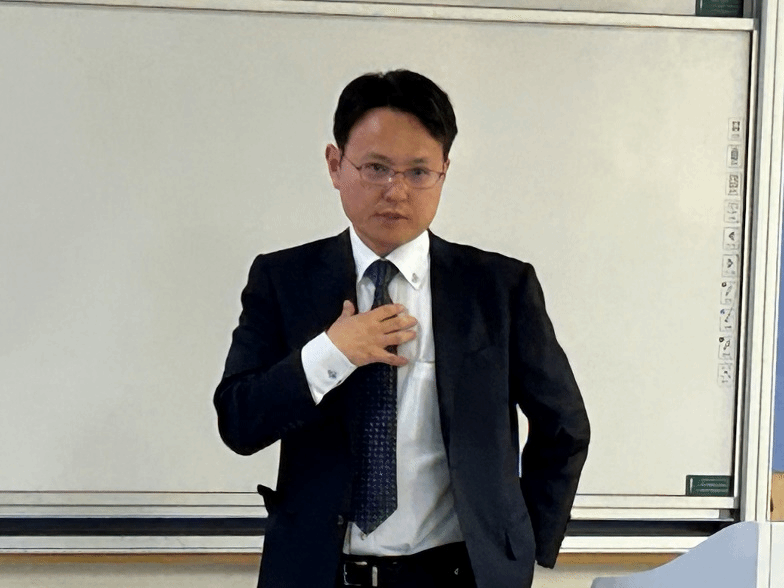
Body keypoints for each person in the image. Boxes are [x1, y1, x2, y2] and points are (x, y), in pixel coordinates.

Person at [214, 69, 590, 588]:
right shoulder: (283, 279)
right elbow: (238, 422)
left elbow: (564, 426)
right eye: (376, 168)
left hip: (456, 577)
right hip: (320, 574)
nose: (396, 190)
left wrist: (522, 545)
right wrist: (331, 353)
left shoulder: (499, 288)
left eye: (418, 172)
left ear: (444, 172)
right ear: (335, 165)